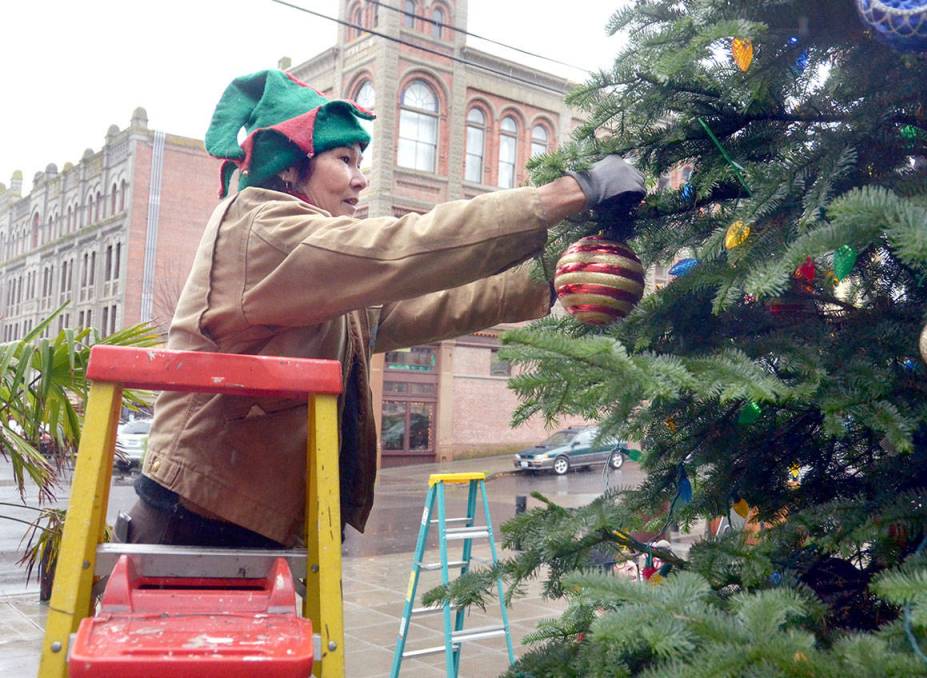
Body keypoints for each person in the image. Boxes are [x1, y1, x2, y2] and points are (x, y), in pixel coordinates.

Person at [120, 69, 644, 548]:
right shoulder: (262, 226)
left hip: (241, 513)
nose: (359, 178)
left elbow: (422, 307)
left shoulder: (318, 270)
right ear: (289, 168)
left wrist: (550, 277)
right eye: (343, 160)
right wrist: (570, 192)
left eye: (360, 162)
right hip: (200, 518)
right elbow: (399, 249)